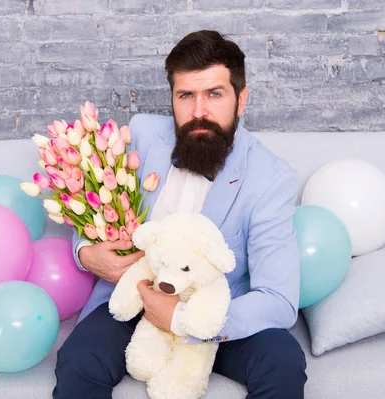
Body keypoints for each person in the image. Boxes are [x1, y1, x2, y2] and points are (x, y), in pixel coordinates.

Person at [52, 30, 307, 399]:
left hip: (214, 313)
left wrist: (182, 321)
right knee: (77, 361)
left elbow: (279, 300)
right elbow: (98, 206)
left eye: (215, 94)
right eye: (186, 95)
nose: (199, 111)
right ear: (172, 97)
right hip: (131, 298)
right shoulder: (141, 134)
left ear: (242, 99)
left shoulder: (272, 178)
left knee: (283, 360)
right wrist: (85, 252)